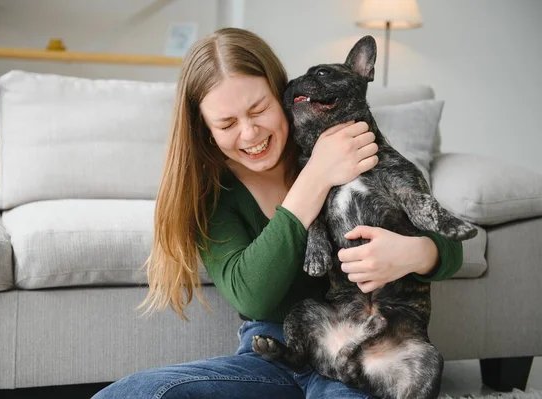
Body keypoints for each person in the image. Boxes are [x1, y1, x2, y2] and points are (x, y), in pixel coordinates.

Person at [93, 27, 462, 399]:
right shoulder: (213, 196)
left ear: (284, 94)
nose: (250, 133)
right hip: (274, 354)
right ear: (204, 130)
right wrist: (314, 179)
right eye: (227, 123)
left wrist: (416, 253)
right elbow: (252, 297)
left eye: (259, 109)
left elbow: (447, 239)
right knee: (135, 393)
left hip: (369, 352)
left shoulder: (345, 146)